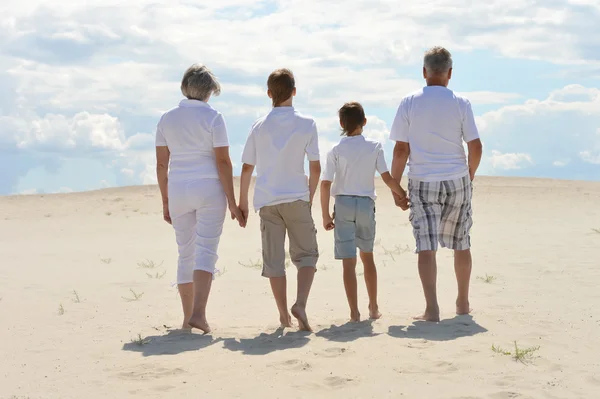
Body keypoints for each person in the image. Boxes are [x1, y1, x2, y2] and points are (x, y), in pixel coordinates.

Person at [390, 46, 483, 322]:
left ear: (424, 72)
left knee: (426, 245)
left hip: (423, 180)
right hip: (457, 179)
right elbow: (475, 146)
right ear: (450, 74)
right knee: (461, 241)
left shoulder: (409, 102)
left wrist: (396, 186)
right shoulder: (461, 103)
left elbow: (400, 150)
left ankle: (432, 309)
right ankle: (463, 303)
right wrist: (470, 173)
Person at [155, 64, 244, 333]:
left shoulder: (166, 119)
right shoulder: (214, 118)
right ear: (209, 92)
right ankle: (199, 314)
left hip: (178, 188)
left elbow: (161, 165)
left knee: (186, 253)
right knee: (206, 250)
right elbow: (223, 161)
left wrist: (165, 201)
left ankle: (186, 319)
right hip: (208, 188)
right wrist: (232, 200)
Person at [238, 68, 321, 332]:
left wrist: (242, 202)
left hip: (267, 200)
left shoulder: (258, 126)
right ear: (294, 91)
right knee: (307, 255)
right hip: (297, 195)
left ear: (269, 94)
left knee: (274, 261)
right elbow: (315, 167)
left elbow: (247, 167)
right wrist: (309, 195)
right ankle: (301, 304)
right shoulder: (307, 123)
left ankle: (284, 316)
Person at [320, 102, 408, 322]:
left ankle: (354, 312)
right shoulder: (374, 146)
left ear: (341, 123)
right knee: (367, 257)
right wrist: (401, 194)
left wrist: (325, 215)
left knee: (348, 262)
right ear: (365, 122)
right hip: (366, 204)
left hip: (343, 204)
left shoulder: (336, 150)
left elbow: (325, 184)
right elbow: (387, 177)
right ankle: (374, 307)